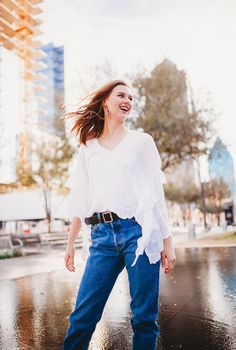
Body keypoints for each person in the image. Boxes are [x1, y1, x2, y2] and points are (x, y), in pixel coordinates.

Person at [63, 80, 176, 350]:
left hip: (139, 233)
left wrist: (167, 241)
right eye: (121, 95)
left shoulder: (141, 142)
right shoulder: (88, 147)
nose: (128, 101)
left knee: (144, 319)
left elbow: (155, 194)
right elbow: (80, 198)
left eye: (131, 98)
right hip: (101, 238)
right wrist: (70, 242)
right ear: (105, 102)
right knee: (82, 317)